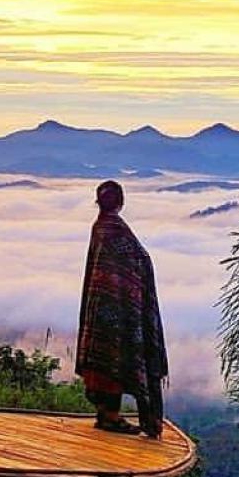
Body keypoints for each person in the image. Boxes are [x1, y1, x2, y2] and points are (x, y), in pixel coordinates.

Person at [75, 179, 168, 438]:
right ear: (121, 202)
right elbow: (141, 260)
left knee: (104, 360)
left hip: (99, 308)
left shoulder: (99, 227)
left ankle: (106, 414)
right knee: (114, 357)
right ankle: (111, 417)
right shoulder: (116, 229)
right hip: (121, 311)